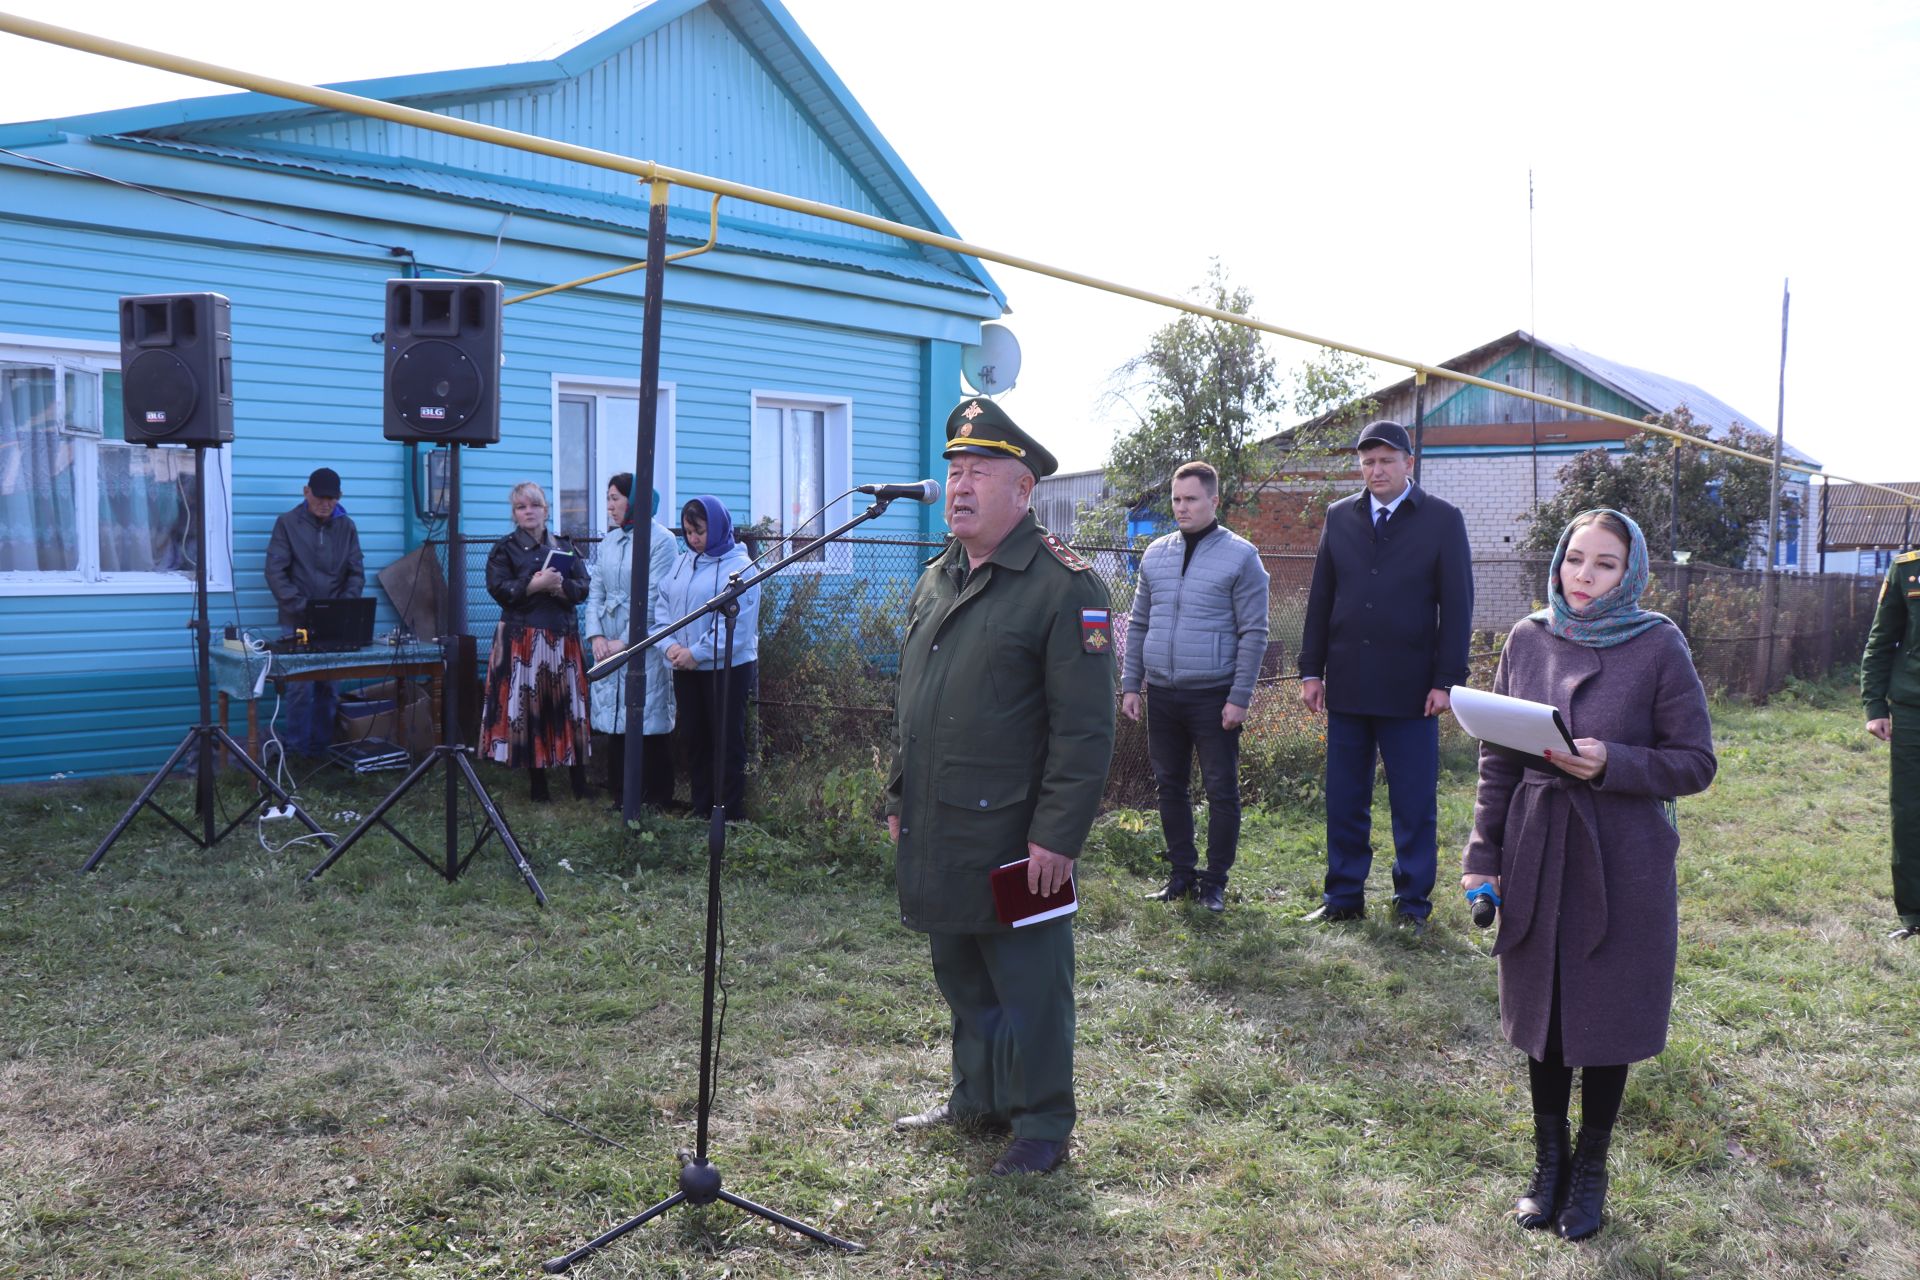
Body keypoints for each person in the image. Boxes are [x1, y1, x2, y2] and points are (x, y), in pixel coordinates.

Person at [1461, 508, 1716, 1241]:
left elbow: (1696, 762)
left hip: (1623, 856)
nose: (1584, 577)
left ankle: (1593, 1168)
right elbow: (1498, 759)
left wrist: (1615, 762)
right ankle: (1549, 1164)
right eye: (1576, 559)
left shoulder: (1659, 645)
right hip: (1537, 846)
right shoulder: (1527, 637)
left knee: (1605, 1014)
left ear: (1630, 571)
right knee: (1544, 1014)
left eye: (1604, 564)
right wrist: (1485, 856)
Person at [886, 397, 1117, 1178]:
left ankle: (1043, 1123)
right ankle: (976, 1099)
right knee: (959, 967)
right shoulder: (937, 577)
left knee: (1030, 983)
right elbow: (914, 700)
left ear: (1023, 490)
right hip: (942, 822)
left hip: (1022, 835)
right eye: (954, 470)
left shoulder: (1065, 587)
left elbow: (1086, 730)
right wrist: (897, 795)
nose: (959, 485)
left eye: (979, 471)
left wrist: (1058, 834)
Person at [1297, 420, 1472, 932]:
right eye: (1368, 461)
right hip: (1348, 684)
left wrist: (1447, 680)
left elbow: (1457, 607)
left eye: (1386, 460)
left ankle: (1412, 903)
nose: (1376, 470)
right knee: (1345, 798)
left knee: (1413, 802)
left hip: (1412, 690)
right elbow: (1321, 598)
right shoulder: (1340, 517)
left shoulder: (1442, 520)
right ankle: (1343, 896)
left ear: (1408, 464)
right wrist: (1311, 670)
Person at [1121, 459, 1271, 913]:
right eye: (1176, 499)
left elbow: (1254, 633)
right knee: (1170, 786)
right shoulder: (1155, 555)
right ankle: (1181, 876)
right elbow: (1140, 622)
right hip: (1163, 693)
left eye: (1190, 499)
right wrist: (1131, 684)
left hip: (1213, 695)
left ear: (1213, 501)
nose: (1181, 508)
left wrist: (1239, 697)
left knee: (1221, 789)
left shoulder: (1242, 556)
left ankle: (1215, 882)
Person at [478, 481, 592, 802]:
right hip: (522, 638)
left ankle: (579, 784)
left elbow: (582, 587)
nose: (528, 512)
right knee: (528, 711)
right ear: (514, 514)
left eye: (534, 505)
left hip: (562, 635)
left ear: (546, 510)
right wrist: (534, 585)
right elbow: (499, 589)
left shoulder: (565, 546)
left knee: (571, 708)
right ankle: (538, 786)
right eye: (520, 507)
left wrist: (558, 588)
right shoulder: (504, 549)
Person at [655, 496, 759, 821]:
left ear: (716, 527)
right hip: (684, 665)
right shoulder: (684, 562)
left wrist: (695, 653)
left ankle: (728, 813)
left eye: (699, 531)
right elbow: (664, 602)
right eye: (687, 532)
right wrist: (669, 646)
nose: (693, 539)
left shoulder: (740, 568)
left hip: (727, 668)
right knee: (695, 738)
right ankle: (701, 808)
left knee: (725, 740)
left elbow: (737, 628)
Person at [585, 477, 676, 810]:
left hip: (644, 640)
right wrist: (596, 635)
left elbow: (654, 595)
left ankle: (656, 798)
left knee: (648, 717)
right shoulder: (609, 541)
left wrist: (625, 641)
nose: (609, 506)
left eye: (615, 498)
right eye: (607, 499)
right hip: (607, 640)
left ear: (634, 501)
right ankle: (621, 796)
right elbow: (596, 590)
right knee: (614, 719)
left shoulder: (661, 541)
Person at [263, 466, 364, 756]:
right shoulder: (287, 523)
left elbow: (356, 572)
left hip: (335, 621)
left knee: (330, 688)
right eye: (320, 497)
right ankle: (296, 752)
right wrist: (301, 607)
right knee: (299, 689)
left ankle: (322, 750)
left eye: (332, 498)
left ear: (339, 497)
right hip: (297, 621)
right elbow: (275, 572)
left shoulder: (348, 526)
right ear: (306, 492)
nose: (325, 503)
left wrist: (342, 607)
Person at [1861, 546, 1920, 941]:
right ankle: (1914, 915)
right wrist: (1874, 706)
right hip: (1913, 709)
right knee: (1910, 811)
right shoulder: (1907, 568)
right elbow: (1882, 640)